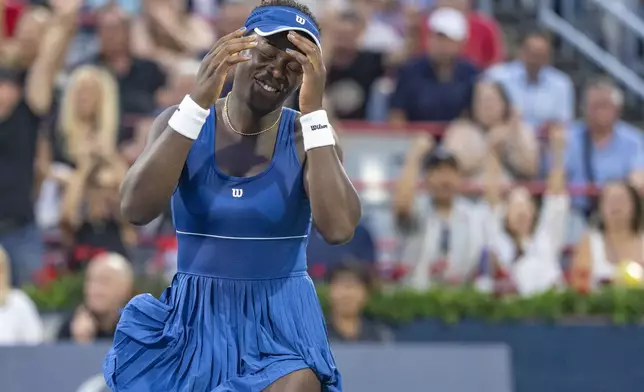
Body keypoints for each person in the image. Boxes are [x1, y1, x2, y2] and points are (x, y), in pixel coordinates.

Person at [103, 1, 361, 391]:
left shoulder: (312, 138)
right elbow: (136, 209)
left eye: (294, 66)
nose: (277, 70)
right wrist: (196, 105)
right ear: (237, 49)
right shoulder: (182, 122)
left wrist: (314, 114)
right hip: (193, 324)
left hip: (280, 326)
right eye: (268, 54)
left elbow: (339, 228)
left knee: (299, 383)